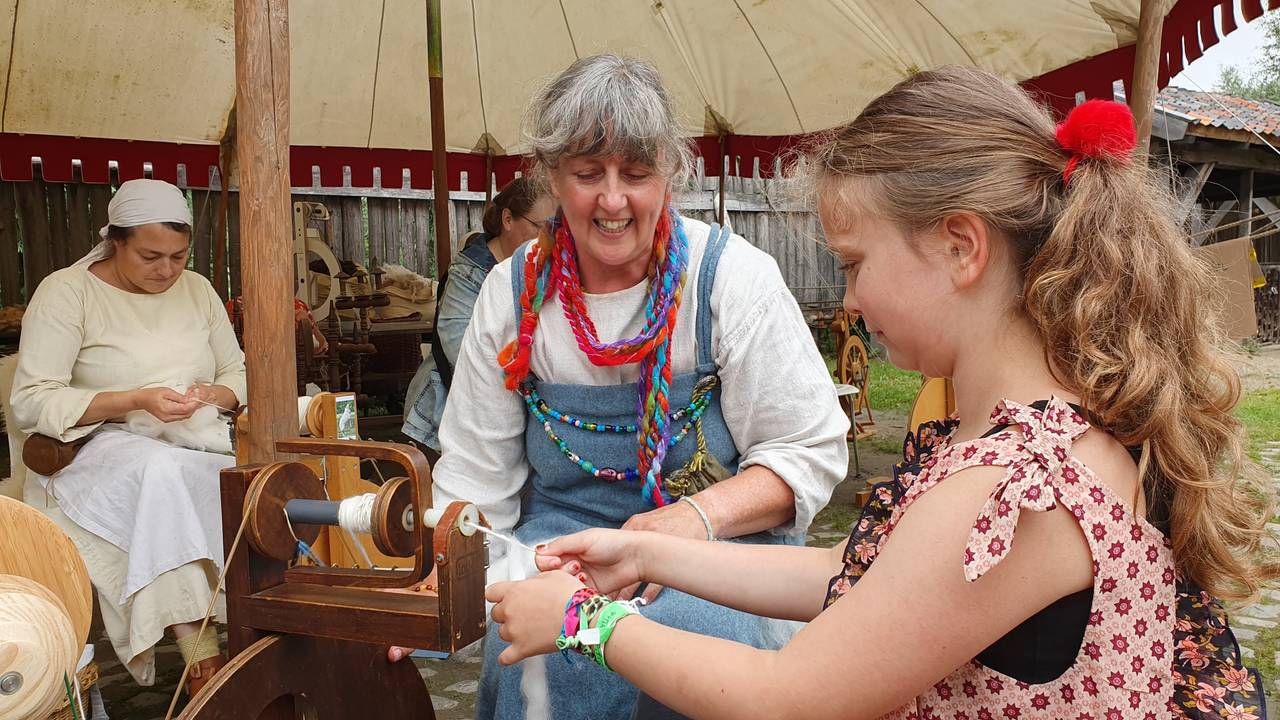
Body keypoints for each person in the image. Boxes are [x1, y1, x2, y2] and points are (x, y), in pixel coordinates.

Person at [486, 67, 1279, 719]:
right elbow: (855, 574)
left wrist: (583, 621)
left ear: (961, 247)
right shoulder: (1026, 442)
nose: (850, 302)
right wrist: (650, 553)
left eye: (856, 263)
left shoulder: (1017, 490)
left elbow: (789, 698)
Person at [420, 54, 849, 718]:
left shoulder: (731, 279)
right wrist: (443, 573)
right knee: (541, 658)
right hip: (563, 548)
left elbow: (807, 451)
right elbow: (479, 477)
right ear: (550, 175)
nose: (613, 200)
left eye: (637, 174)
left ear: (670, 175)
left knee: (698, 646)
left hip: (717, 551)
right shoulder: (512, 295)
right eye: (588, 174)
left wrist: (688, 521)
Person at [11, 179, 245, 696]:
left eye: (179, 256)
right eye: (150, 256)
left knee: (244, 483)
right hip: (94, 449)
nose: (166, 270)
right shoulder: (67, 292)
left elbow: (240, 373)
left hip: (198, 442)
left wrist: (215, 394)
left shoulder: (199, 289)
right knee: (159, 477)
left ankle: (256, 627)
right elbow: (31, 400)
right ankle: (200, 655)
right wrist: (135, 399)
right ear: (116, 241)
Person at [402, 176, 554, 453]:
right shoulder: (468, 274)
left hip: (513, 412)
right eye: (540, 227)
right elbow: (462, 352)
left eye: (554, 228)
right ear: (508, 220)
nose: (549, 236)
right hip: (445, 415)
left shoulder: (543, 271)